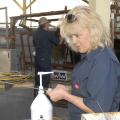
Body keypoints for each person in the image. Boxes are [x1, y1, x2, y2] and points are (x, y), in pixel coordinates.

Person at [47, 6, 120, 120]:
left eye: (77, 35)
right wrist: (69, 89)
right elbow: (90, 89)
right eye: (71, 36)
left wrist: (65, 95)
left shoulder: (103, 61)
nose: (74, 41)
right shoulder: (89, 57)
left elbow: (98, 108)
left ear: (93, 30)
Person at [33, 17, 60, 96]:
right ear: (45, 24)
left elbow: (34, 43)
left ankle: (36, 92)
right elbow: (57, 41)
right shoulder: (48, 34)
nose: (48, 25)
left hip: (37, 57)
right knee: (45, 75)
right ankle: (44, 94)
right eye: (48, 24)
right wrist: (57, 31)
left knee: (38, 75)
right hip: (45, 58)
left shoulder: (35, 33)